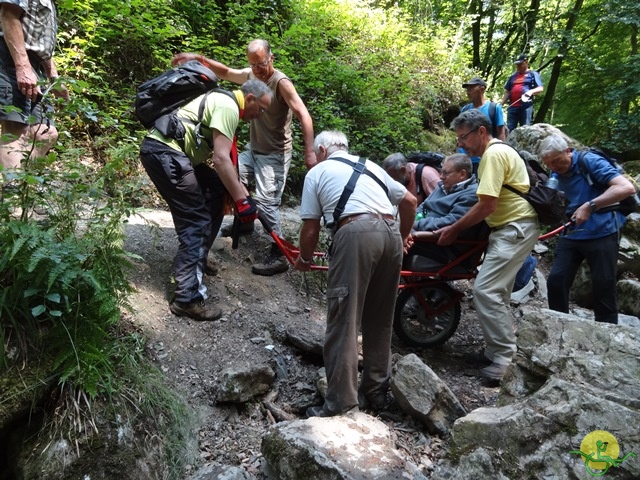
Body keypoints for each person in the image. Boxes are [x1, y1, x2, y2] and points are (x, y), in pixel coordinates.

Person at [295, 130, 416, 417]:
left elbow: (310, 228)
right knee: (380, 318)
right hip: (390, 236)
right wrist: (403, 235)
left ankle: (341, 402)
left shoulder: (318, 172)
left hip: (355, 233)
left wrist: (303, 258)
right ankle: (375, 391)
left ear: (322, 150)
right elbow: (409, 201)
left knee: (344, 319)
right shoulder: (371, 165)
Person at [172, 39, 316, 276]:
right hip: (254, 150)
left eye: (261, 64)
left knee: (268, 203)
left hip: (275, 154)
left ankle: (278, 254)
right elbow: (226, 72)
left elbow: (303, 114)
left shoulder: (281, 82)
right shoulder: (252, 77)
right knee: (232, 177)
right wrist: (197, 59)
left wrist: (309, 153)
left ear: (271, 58)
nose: (257, 70)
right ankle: (246, 224)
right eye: (253, 65)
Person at [139, 79, 273, 321]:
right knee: (196, 221)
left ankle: (197, 257)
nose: (259, 116)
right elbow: (221, 160)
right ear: (250, 98)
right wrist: (242, 202)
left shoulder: (226, 103)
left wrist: (240, 194)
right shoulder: (228, 106)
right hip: (166, 153)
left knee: (215, 189)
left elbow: (227, 165)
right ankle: (187, 299)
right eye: (261, 109)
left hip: (173, 154)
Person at [437, 109, 539, 381]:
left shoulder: (494, 154)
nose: (460, 143)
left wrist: (454, 228)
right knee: (497, 293)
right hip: (509, 227)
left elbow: (487, 204)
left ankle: (506, 358)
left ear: (481, 132)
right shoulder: (494, 154)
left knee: (485, 291)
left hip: (514, 227)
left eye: (463, 137)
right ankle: (496, 351)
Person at [538, 135, 635, 325]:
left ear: (568, 151)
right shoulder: (555, 174)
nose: (554, 167)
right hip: (573, 232)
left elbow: (626, 187)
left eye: (557, 161)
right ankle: (559, 326)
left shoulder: (589, 162)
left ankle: (608, 333)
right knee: (556, 280)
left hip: (603, 231)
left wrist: (590, 205)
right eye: (549, 164)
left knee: (603, 285)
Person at [0, 0, 69, 170]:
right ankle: (13, 192)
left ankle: (27, 189)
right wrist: (22, 67)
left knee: (46, 134)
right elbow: (8, 16)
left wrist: (53, 76)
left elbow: (39, 42)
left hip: (36, 66)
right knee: (16, 130)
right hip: (11, 57)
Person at [459, 77, 506, 174]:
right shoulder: (465, 109)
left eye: (471, 89)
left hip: (483, 158)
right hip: (464, 159)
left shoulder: (494, 108)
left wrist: (501, 154)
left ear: (482, 89)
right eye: (467, 90)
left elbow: (501, 132)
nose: (468, 92)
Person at [501, 54, 543, 132]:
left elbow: (540, 88)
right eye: (517, 65)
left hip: (526, 107)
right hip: (512, 107)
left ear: (526, 62)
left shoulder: (533, 74)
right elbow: (507, 91)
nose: (518, 67)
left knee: (525, 130)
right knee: (509, 129)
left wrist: (531, 92)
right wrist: (501, 104)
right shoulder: (513, 76)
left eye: (520, 64)